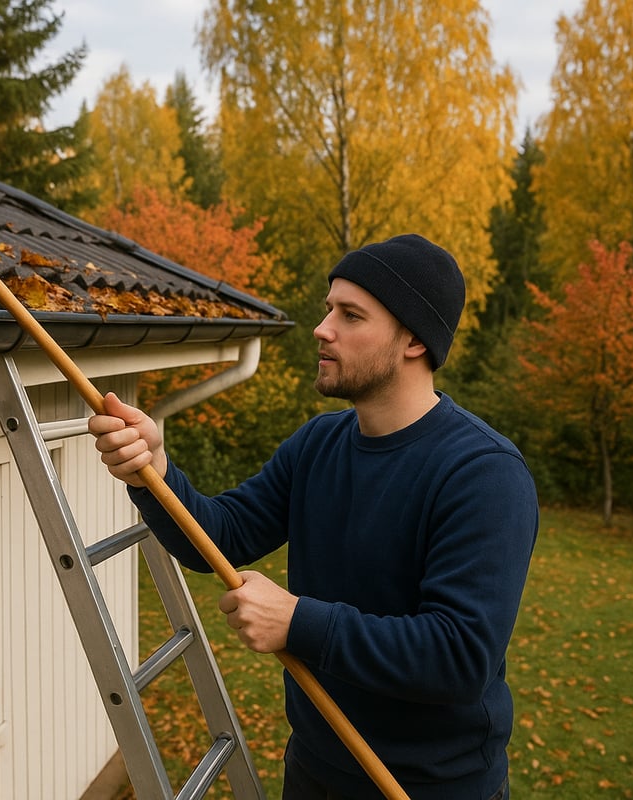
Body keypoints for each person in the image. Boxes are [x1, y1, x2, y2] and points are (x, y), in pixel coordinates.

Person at [88, 234, 539, 800]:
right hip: (315, 769)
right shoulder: (319, 444)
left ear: (415, 341)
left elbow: (458, 655)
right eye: (330, 308)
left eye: (351, 315)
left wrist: (298, 621)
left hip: (429, 787)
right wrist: (153, 471)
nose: (323, 328)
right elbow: (221, 537)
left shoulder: (483, 473)